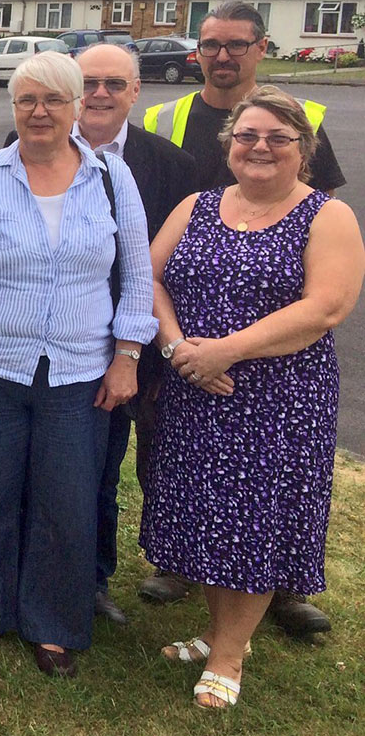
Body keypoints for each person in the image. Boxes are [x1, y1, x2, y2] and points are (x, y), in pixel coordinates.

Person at [0, 50, 156, 678]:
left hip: (80, 371)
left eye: (55, 100)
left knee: (67, 499)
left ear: (77, 107)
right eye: (28, 99)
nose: (40, 111)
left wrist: (127, 357)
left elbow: (137, 274)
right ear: (13, 108)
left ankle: (53, 624)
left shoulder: (113, 179)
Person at [140, 86, 364, 708]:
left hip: (279, 400)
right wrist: (180, 347)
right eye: (247, 137)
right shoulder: (198, 206)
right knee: (209, 518)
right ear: (229, 146)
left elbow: (326, 307)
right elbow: (150, 277)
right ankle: (215, 632)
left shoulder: (326, 216)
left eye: (277, 138)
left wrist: (225, 351)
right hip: (196, 386)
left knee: (257, 523)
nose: (260, 147)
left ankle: (233, 653)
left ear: (303, 149)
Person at [4, 42, 197, 625]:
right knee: (38, 469)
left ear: (136, 91)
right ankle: (23, 575)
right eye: (89, 82)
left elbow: (167, 272)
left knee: (99, 472)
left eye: (116, 83)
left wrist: (142, 357)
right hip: (41, 351)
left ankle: (89, 579)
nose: (100, 94)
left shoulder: (171, 166)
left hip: (126, 352)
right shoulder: (15, 153)